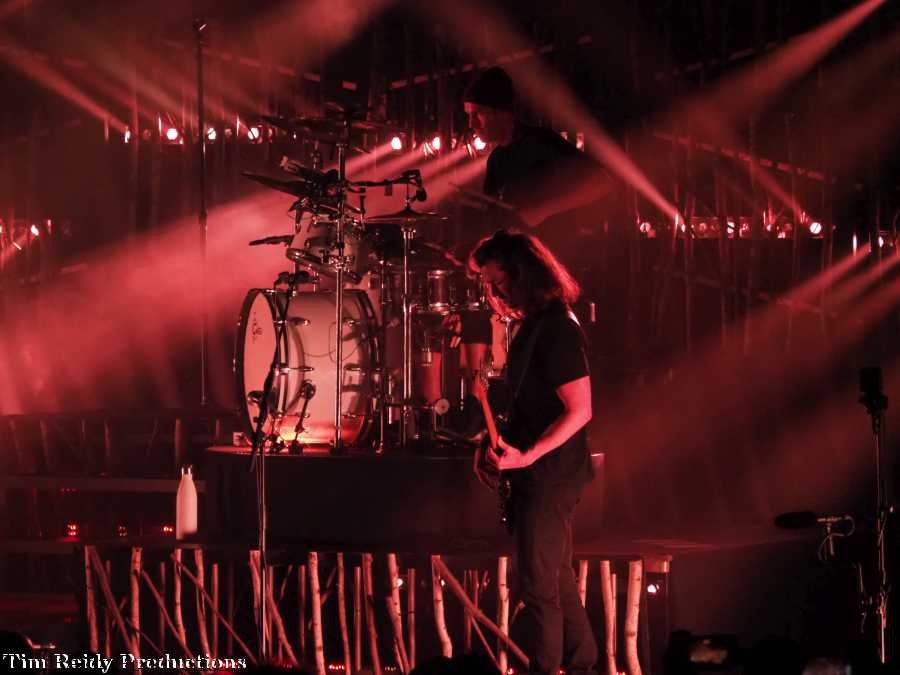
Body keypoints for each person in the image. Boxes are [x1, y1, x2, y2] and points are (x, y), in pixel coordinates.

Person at [470, 229, 598, 675]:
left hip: (552, 473)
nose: (494, 292)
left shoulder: (558, 329)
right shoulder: (537, 324)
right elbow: (531, 402)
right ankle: (582, 663)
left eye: (498, 281)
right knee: (556, 577)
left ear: (522, 274)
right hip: (541, 471)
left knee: (539, 586)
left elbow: (580, 410)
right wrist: (495, 443)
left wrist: (527, 456)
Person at [456, 67, 608, 408]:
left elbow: (601, 182)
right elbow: (498, 219)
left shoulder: (542, 144)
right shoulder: (498, 159)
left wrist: (546, 209)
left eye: (478, 114)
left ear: (501, 111)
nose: (472, 124)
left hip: (555, 272)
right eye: (469, 116)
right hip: (525, 283)